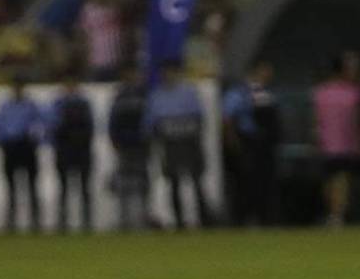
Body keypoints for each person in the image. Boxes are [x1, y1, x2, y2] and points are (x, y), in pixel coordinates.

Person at [145, 60, 212, 229]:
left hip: (188, 140)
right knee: (173, 181)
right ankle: (179, 220)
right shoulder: (157, 95)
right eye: (165, 72)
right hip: (169, 142)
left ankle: (205, 219)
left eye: (171, 72)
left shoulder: (188, 92)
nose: (168, 75)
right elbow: (151, 123)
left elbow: (198, 117)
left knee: (196, 179)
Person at [221, 60, 281, 226]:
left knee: (265, 183)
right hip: (246, 142)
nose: (269, 74)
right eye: (266, 70)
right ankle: (242, 219)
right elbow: (227, 119)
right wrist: (233, 143)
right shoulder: (239, 93)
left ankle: (265, 218)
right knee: (245, 184)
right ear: (256, 70)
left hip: (264, 144)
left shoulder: (267, 93)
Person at [312, 54, 360, 227]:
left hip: (337, 144)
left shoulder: (323, 92)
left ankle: (336, 214)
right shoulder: (350, 93)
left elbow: (316, 120)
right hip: (338, 144)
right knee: (335, 182)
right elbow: (358, 120)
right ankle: (335, 214)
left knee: (337, 181)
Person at [0, 74, 46, 233]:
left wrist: (35, 140)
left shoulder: (31, 105)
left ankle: (35, 221)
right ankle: (11, 221)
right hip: (10, 147)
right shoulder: (5, 106)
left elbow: (40, 125)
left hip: (27, 146)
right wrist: (2, 142)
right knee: (11, 187)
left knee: (31, 186)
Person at [50, 74, 95, 233]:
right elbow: (52, 127)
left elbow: (91, 128)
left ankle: (87, 221)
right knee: (64, 188)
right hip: (64, 149)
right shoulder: (57, 104)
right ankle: (63, 222)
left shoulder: (84, 104)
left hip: (81, 149)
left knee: (84, 187)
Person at [108, 63, 151, 230]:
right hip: (124, 145)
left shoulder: (144, 94)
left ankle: (143, 217)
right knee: (124, 184)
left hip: (141, 145)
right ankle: (124, 219)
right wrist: (115, 140)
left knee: (143, 183)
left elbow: (149, 119)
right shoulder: (119, 96)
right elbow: (113, 122)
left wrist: (147, 139)